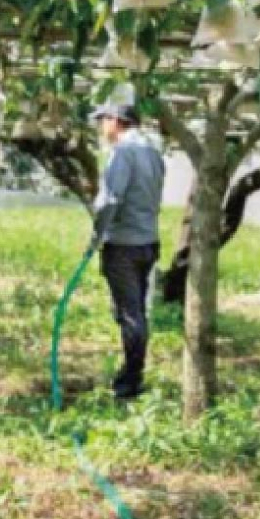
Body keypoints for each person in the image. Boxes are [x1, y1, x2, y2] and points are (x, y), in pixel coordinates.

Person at [90, 101, 165, 402]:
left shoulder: (123, 152)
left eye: (103, 120)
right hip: (148, 242)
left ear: (116, 121)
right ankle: (132, 374)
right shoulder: (153, 153)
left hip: (124, 245)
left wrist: (96, 236)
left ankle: (129, 383)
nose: (101, 127)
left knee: (130, 314)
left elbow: (110, 199)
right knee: (136, 312)